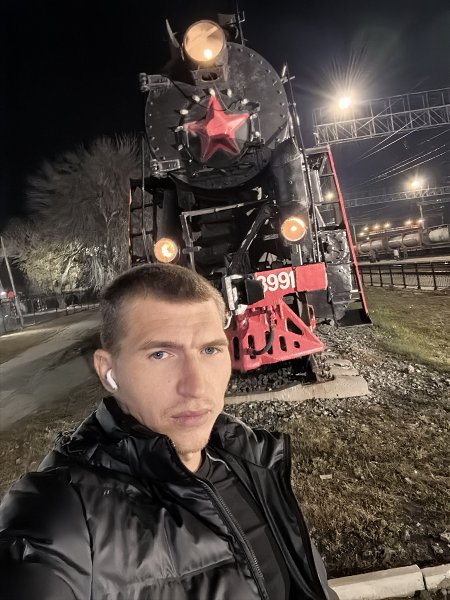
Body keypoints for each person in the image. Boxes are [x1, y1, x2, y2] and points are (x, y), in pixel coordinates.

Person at [0, 264, 334, 600]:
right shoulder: (60, 511)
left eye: (210, 350)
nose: (196, 386)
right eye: (160, 354)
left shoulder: (252, 459)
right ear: (109, 371)